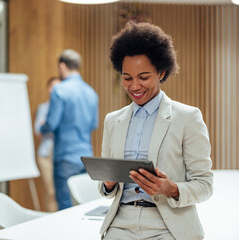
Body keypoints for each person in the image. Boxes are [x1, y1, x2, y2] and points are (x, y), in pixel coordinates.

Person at [98, 22, 213, 240]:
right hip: (120, 224)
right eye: (127, 77)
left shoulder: (188, 117)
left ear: (161, 72)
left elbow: (204, 185)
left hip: (168, 224)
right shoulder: (113, 121)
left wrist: (171, 189)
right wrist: (108, 183)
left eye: (143, 77)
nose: (134, 86)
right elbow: (106, 188)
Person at [40, 49, 99, 210]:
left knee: (65, 208)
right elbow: (94, 124)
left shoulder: (59, 90)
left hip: (65, 158)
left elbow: (51, 124)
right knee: (83, 206)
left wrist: (41, 127)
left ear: (62, 66)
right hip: (85, 158)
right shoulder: (91, 93)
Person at [34, 77, 61, 212]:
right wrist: (51, 128)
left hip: (60, 154)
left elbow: (52, 128)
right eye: (52, 87)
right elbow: (38, 130)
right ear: (48, 89)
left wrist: (49, 127)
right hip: (45, 154)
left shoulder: (64, 107)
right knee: (50, 192)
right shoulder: (43, 107)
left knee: (61, 192)